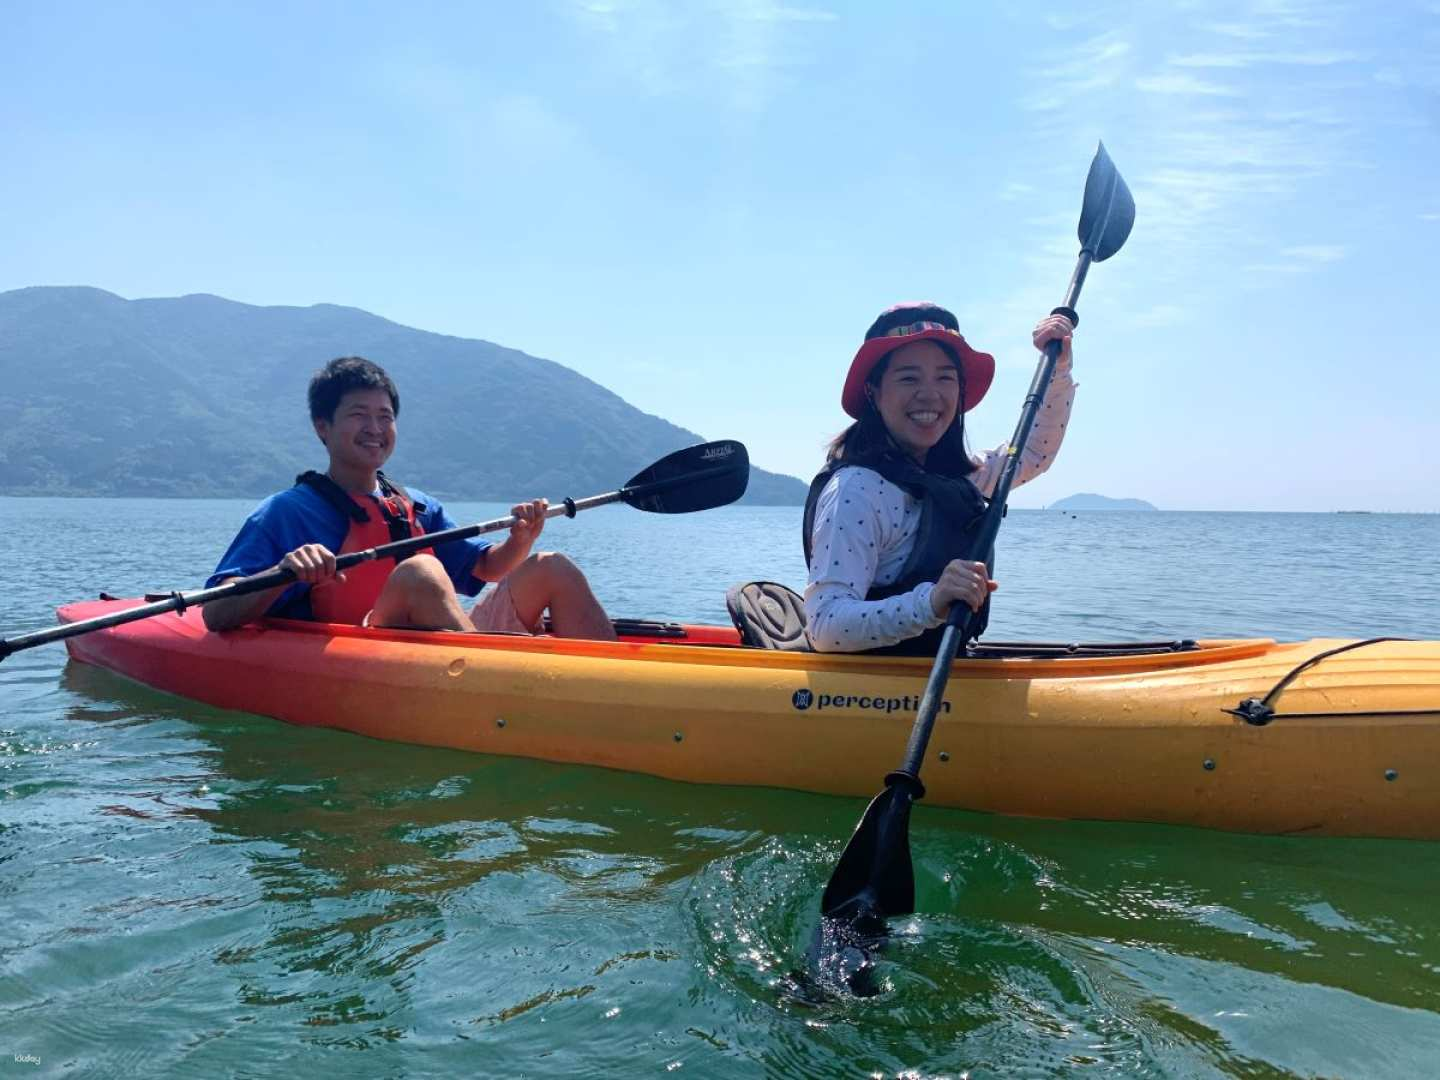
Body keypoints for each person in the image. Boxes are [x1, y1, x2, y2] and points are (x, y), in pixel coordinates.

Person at [202, 356, 616, 640]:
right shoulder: (285, 512)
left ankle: (615, 689)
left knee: (552, 567)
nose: (375, 427)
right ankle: (498, 682)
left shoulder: (414, 504)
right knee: (420, 572)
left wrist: (521, 540)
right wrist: (284, 570)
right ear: (322, 427)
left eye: (385, 417)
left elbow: (484, 568)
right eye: (359, 415)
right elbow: (216, 612)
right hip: (358, 650)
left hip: (443, 647)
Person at [802, 302, 1075, 655]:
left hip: (945, 672)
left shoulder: (957, 478)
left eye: (945, 377)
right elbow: (826, 626)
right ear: (874, 391)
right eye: (909, 377)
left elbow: (1034, 453)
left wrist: (1059, 368)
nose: (929, 394)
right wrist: (930, 604)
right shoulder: (856, 490)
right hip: (874, 691)